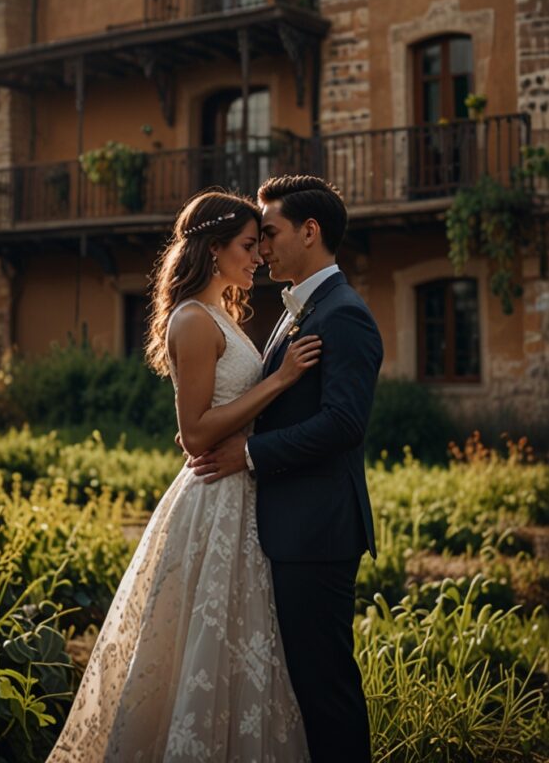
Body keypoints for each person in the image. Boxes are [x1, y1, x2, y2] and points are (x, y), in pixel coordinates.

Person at [46, 190, 320, 762]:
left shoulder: (222, 314)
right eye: (249, 245)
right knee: (199, 649)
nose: (259, 256)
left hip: (239, 492)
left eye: (262, 243)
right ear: (214, 248)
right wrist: (280, 380)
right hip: (214, 499)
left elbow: (212, 416)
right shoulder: (193, 319)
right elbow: (195, 433)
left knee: (237, 650)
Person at [189, 175, 384, 763]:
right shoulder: (297, 308)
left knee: (325, 689)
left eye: (269, 233)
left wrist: (248, 454)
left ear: (310, 230)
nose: (262, 247)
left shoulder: (344, 314)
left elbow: (344, 424)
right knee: (298, 687)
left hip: (317, 532)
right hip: (286, 526)